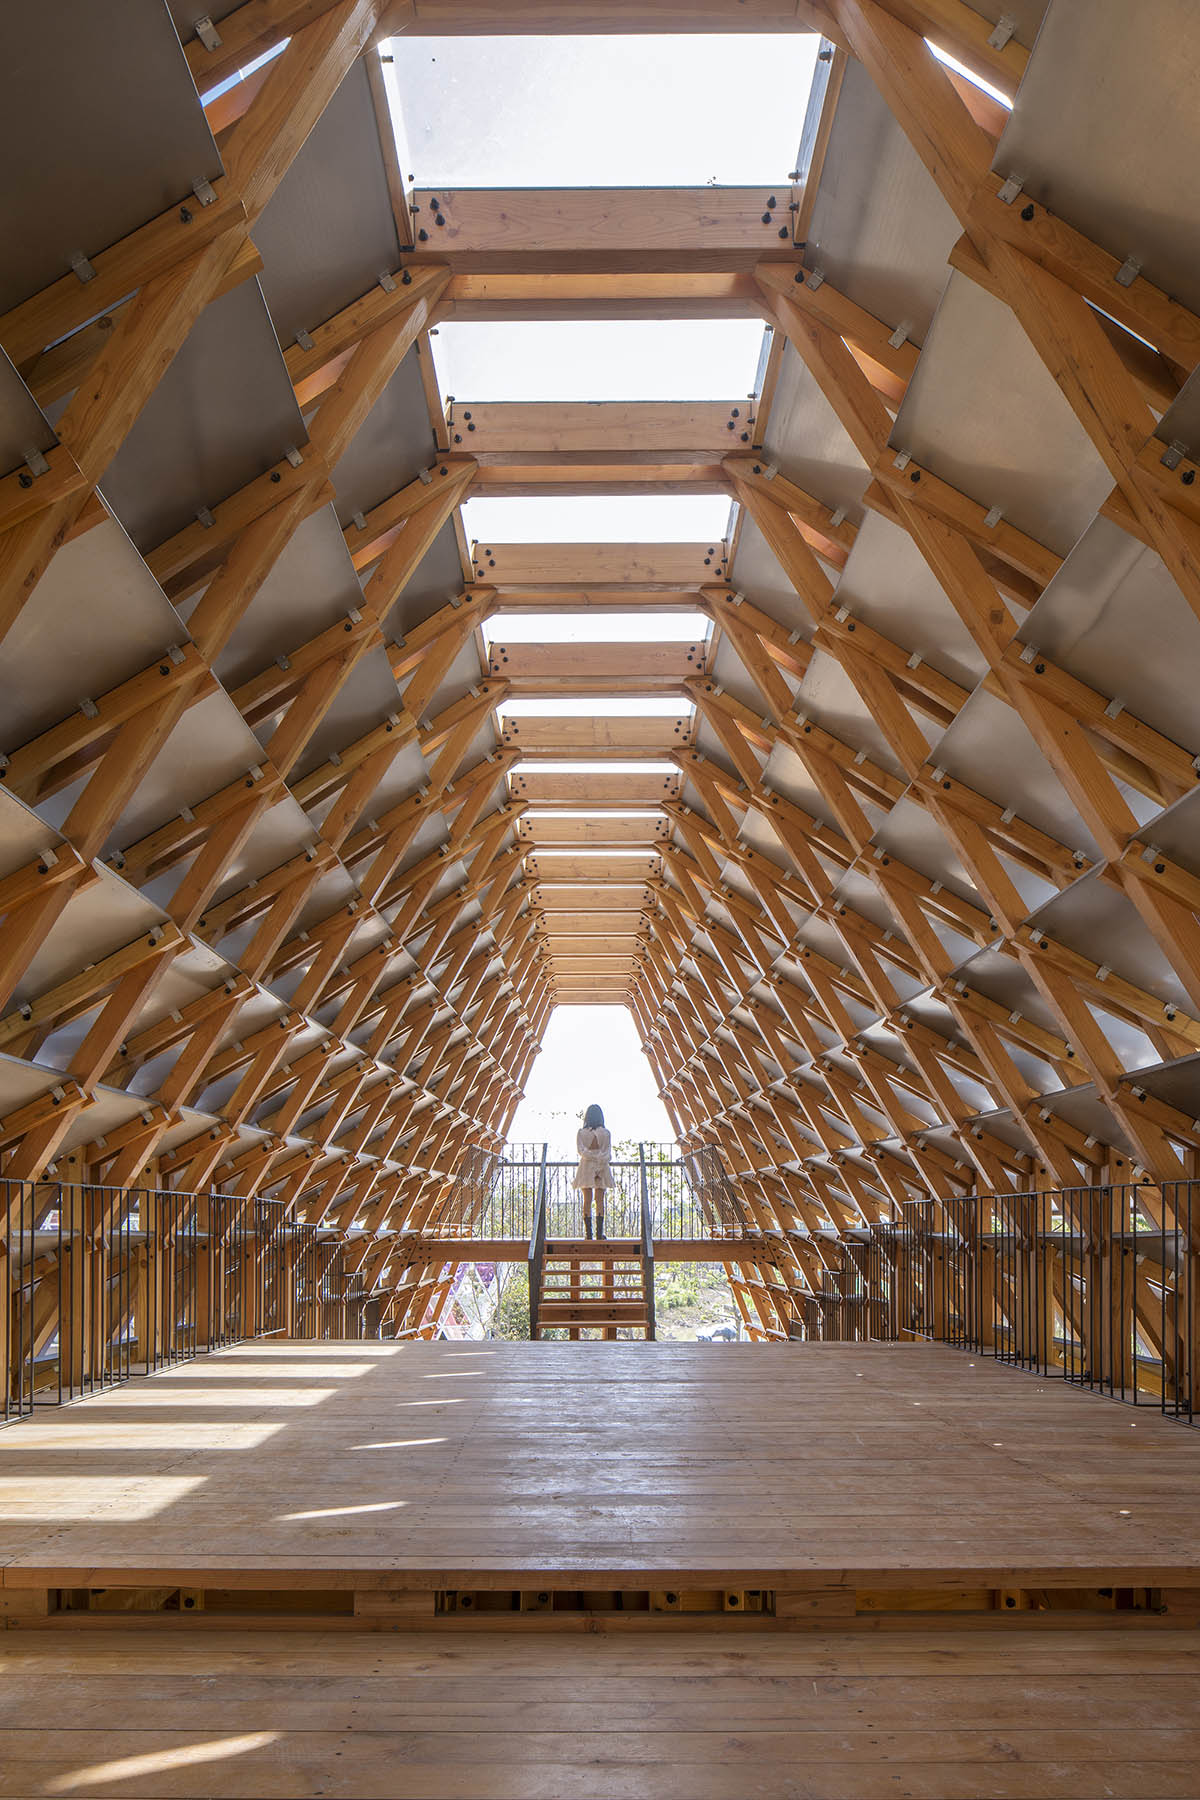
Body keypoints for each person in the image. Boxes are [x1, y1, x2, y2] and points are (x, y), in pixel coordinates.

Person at [573, 1103, 613, 1239]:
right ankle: (599, 1233)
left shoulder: (581, 1133)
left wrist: (590, 1156)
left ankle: (588, 1234)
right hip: (601, 1167)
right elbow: (607, 1153)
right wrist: (599, 1159)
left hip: (585, 1167)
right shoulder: (606, 1133)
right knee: (600, 1200)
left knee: (587, 1200)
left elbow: (581, 1151)